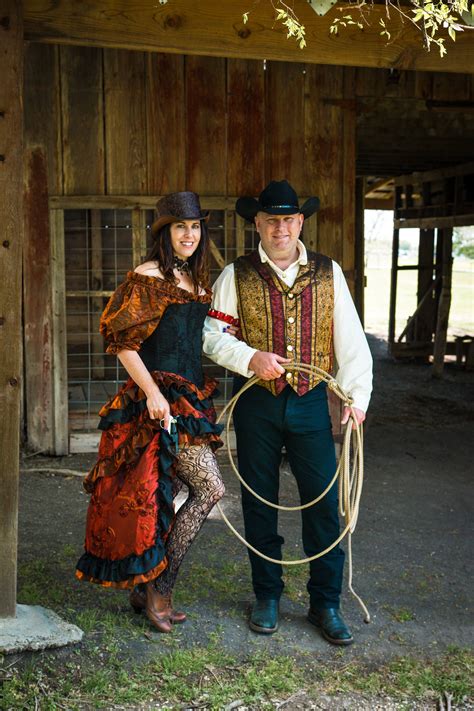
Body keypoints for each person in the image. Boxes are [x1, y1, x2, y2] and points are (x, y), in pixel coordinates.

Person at [203, 180, 372, 645]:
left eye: (289, 219)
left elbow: (351, 340)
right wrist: (249, 357)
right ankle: (268, 595)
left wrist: (356, 399)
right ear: (257, 223)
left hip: (311, 400)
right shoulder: (235, 276)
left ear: (301, 222)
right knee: (259, 498)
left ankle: (326, 602)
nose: (281, 227)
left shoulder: (327, 272)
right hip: (256, 402)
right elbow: (212, 337)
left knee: (323, 502)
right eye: (272, 219)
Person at [76, 191, 225, 633]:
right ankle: (159, 588)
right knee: (210, 489)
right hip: (156, 402)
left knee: (170, 495)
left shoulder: (198, 282)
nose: (189, 234)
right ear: (164, 232)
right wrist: (153, 393)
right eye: (181, 227)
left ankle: (148, 588)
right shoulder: (147, 276)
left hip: (190, 398)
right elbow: (122, 342)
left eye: (196, 227)